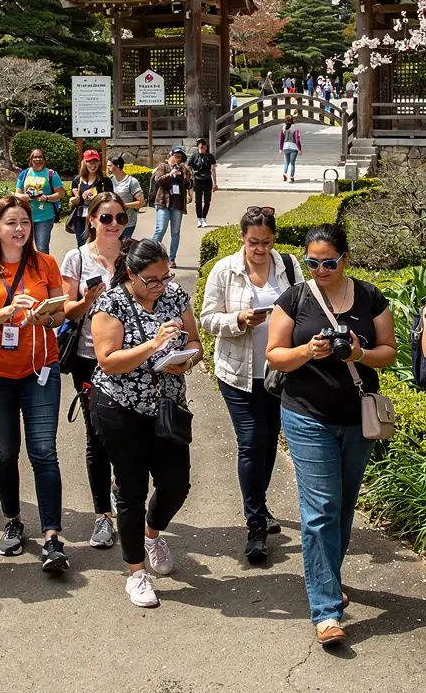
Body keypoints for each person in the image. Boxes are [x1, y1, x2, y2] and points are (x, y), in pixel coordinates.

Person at [266, 223, 396, 645]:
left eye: (329, 262)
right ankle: (325, 610)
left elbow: (389, 353)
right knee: (321, 507)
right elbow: (275, 355)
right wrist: (308, 351)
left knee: (342, 506)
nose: (320, 270)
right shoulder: (296, 297)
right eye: (312, 262)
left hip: (357, 416)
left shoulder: (370, 296)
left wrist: (358, 353)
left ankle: (329, 577)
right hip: (307, 416)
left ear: (346, 259)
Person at [89, 239, 202, 608]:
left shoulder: (174, 296)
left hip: (167, 406)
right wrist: (153, 346)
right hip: (120, 407)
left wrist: (185, 360)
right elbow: (108, 361)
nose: (160, 286)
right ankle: (136, 572)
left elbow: (197, 342)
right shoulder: (112, 303)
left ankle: (152, 533)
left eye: (165, 277)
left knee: (176, 483)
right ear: (132, 274)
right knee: (131, 490)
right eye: (151, 280)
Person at [0, 195, 69, 574]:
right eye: (11, 222)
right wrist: (6, 312)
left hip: (41, 368)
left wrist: (46, 318)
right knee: (6, 451)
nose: (19, 229)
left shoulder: (46, 264)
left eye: (24, 221)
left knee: (44, 451)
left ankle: (53, 536)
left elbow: (59, 314)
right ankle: (12, 519)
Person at [200, 207, 304, 563]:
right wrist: (237, 320)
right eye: (253, 242)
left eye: (266, 242)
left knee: (269, 440)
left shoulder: (288, 267)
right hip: (237, 373)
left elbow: (303, 307)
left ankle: (259, 504)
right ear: (242, 239)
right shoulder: (225, 270)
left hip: (278, 372)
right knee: (250, 441)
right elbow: (207, 318)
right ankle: (255, 526)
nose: (260, 249)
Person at [60, 190, 129, 549]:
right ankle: (103, 514)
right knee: (97, 435)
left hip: (132, 357)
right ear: (91, 220)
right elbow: (65, 312)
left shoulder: (134, 254)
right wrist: (87, 300)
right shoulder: (76, 258)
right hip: (89, 358)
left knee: (128, 432)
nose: (114, 224)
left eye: (120, 217)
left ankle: (121, 490)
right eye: (106, 218)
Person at [149, 146, 193, 268]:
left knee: (175, 232)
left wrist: (185, 177)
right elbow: (158, 180)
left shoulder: (183, 169)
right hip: (163, 202)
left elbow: (189, 185)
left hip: (177, 204)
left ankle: (172, 258)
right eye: (176, 156)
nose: (177, 159)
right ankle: (151, 255)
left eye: (180, 157)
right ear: (170, 155)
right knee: (160, 229)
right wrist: (170, 174)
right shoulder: (163, 166)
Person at [16, 147, 63, 254]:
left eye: (40, 157)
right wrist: (23, 197)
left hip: (44, 217)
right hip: (25, 217)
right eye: (35, 157)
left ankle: (44, 270)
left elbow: (60, 193)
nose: (38, 159)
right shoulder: (24, 174)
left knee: (42, 248)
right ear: (31, 160)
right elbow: (17, 193)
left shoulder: (51, 174)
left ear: (44, 159)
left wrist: (46, 198)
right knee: (23, 248)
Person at [68, 150, 113, 247]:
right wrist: (74, 200)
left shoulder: (105, 180)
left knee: (98, 242)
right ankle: (84, 262)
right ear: (84, 162)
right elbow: (74, 198)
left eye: (95, 161)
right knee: (81, 244)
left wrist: (97, 198)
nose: (93, 165)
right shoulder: (77, 180)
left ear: (99, 162)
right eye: (89, 162)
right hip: (80, 217)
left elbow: (111, 199)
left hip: (99, 217)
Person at [107, 155, 144, 243]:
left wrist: (124, 205)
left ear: (118, 166)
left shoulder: (132, 181)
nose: (107, 168)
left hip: (128, 222)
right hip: (113, 222)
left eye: (109, 166)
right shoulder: (110, 180)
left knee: (124, 246)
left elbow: (141, 202)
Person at [187, 137, 218, 229]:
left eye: (202, 147)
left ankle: (204, 217)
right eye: (199, 147)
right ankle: (199, 219)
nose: (201, 148)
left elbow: (213, 170)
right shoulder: (194, 156)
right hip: (197, 180)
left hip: (207, 180)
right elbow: (189, 167)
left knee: (207, 201)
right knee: (198, 202)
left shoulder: (210, 156)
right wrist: (191, 176)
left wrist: (215, 183)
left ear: (205, 147)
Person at [279, 116, 302, 182]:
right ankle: (291, 177)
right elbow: (297, 140)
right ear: (292, 120)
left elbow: (281, 139)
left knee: (286, 162)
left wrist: (280, 149)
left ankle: (285, 173)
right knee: (292, 163)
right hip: (293, 147)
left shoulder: (283, 128)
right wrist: (300, 149)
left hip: (285, 147)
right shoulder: (295, 128)